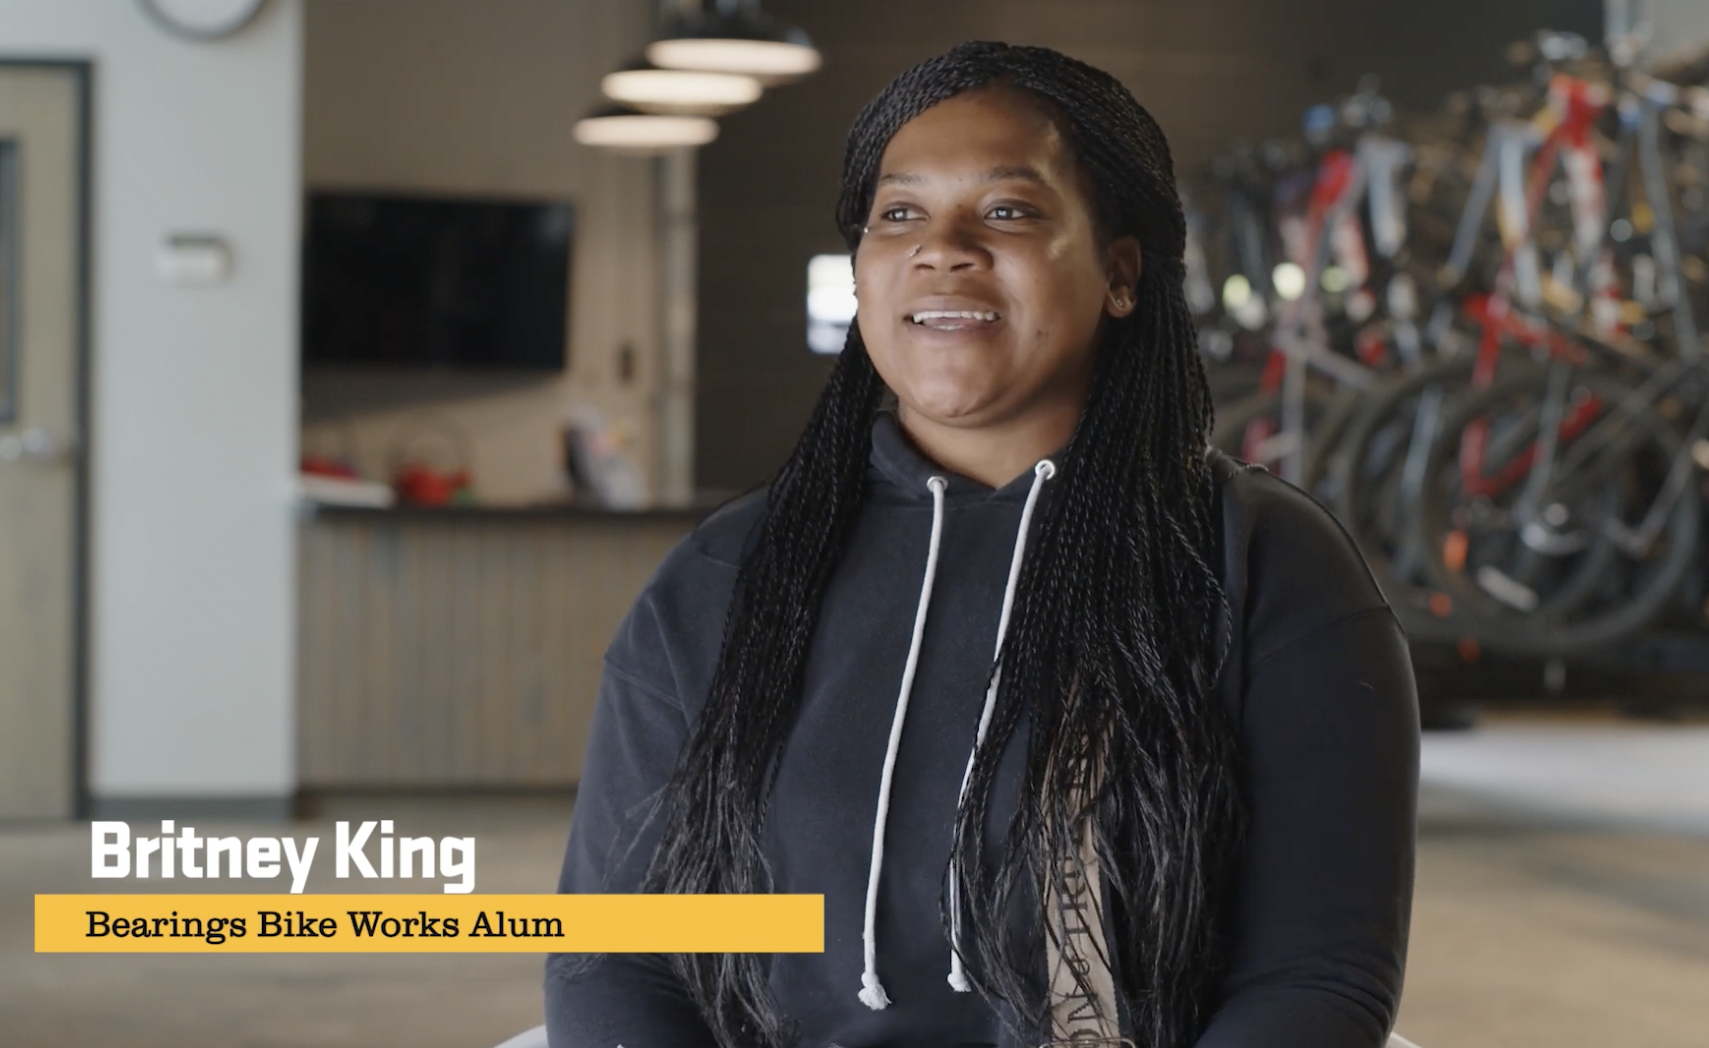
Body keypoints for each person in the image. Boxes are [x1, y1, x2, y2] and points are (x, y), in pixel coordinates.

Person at [545, 41, 1419, 1048]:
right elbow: (613, 950)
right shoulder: (724, 580)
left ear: (1118, 272)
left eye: (1007, 211)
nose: (941, 247)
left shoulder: (1260, 565)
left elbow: (1313, 972)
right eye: (899, 214)